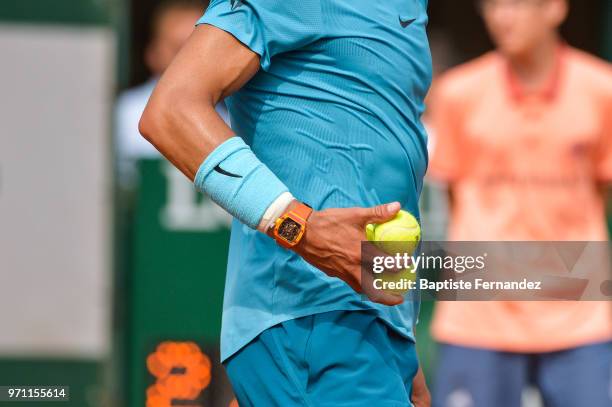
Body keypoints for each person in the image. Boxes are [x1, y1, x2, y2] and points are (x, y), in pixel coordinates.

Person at [139, 0, 433, 405]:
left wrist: (397, 331)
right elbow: (169, 112)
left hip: (366, 330)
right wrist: (299, 226)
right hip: (311, 326)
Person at [428, 0, 612, 406]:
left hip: (580, 312)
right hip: (478, 315)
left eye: (516, 4)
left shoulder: (603, 89)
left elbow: (600, 189)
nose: (501, 15)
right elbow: (455, 196)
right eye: (491, 6)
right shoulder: (458, 92)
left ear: (555, 9)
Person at [116, 0, 228, 186]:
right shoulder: (122, 115)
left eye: (196, 49)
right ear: (153, 53)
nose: (189, 60)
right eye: (178, 49)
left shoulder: (233, 119)